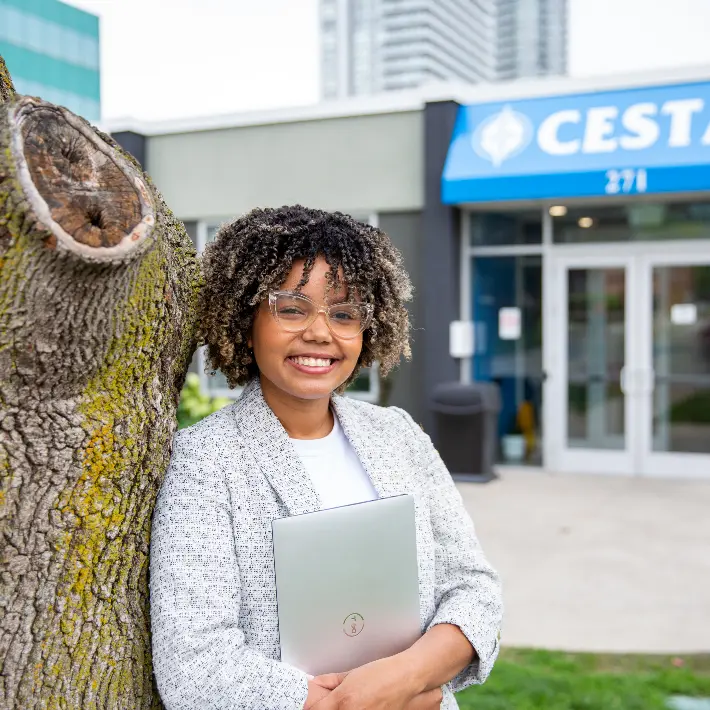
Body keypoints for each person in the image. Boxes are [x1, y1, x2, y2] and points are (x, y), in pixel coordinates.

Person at [149, 205, 503, 710]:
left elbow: (473, 587)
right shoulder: (204, 460)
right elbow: (195, 665)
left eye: (343, 314)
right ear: (245, 320)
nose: (320, 332)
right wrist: (351, 703)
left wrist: (404, 679)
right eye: (292, 308)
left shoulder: (397, 435)